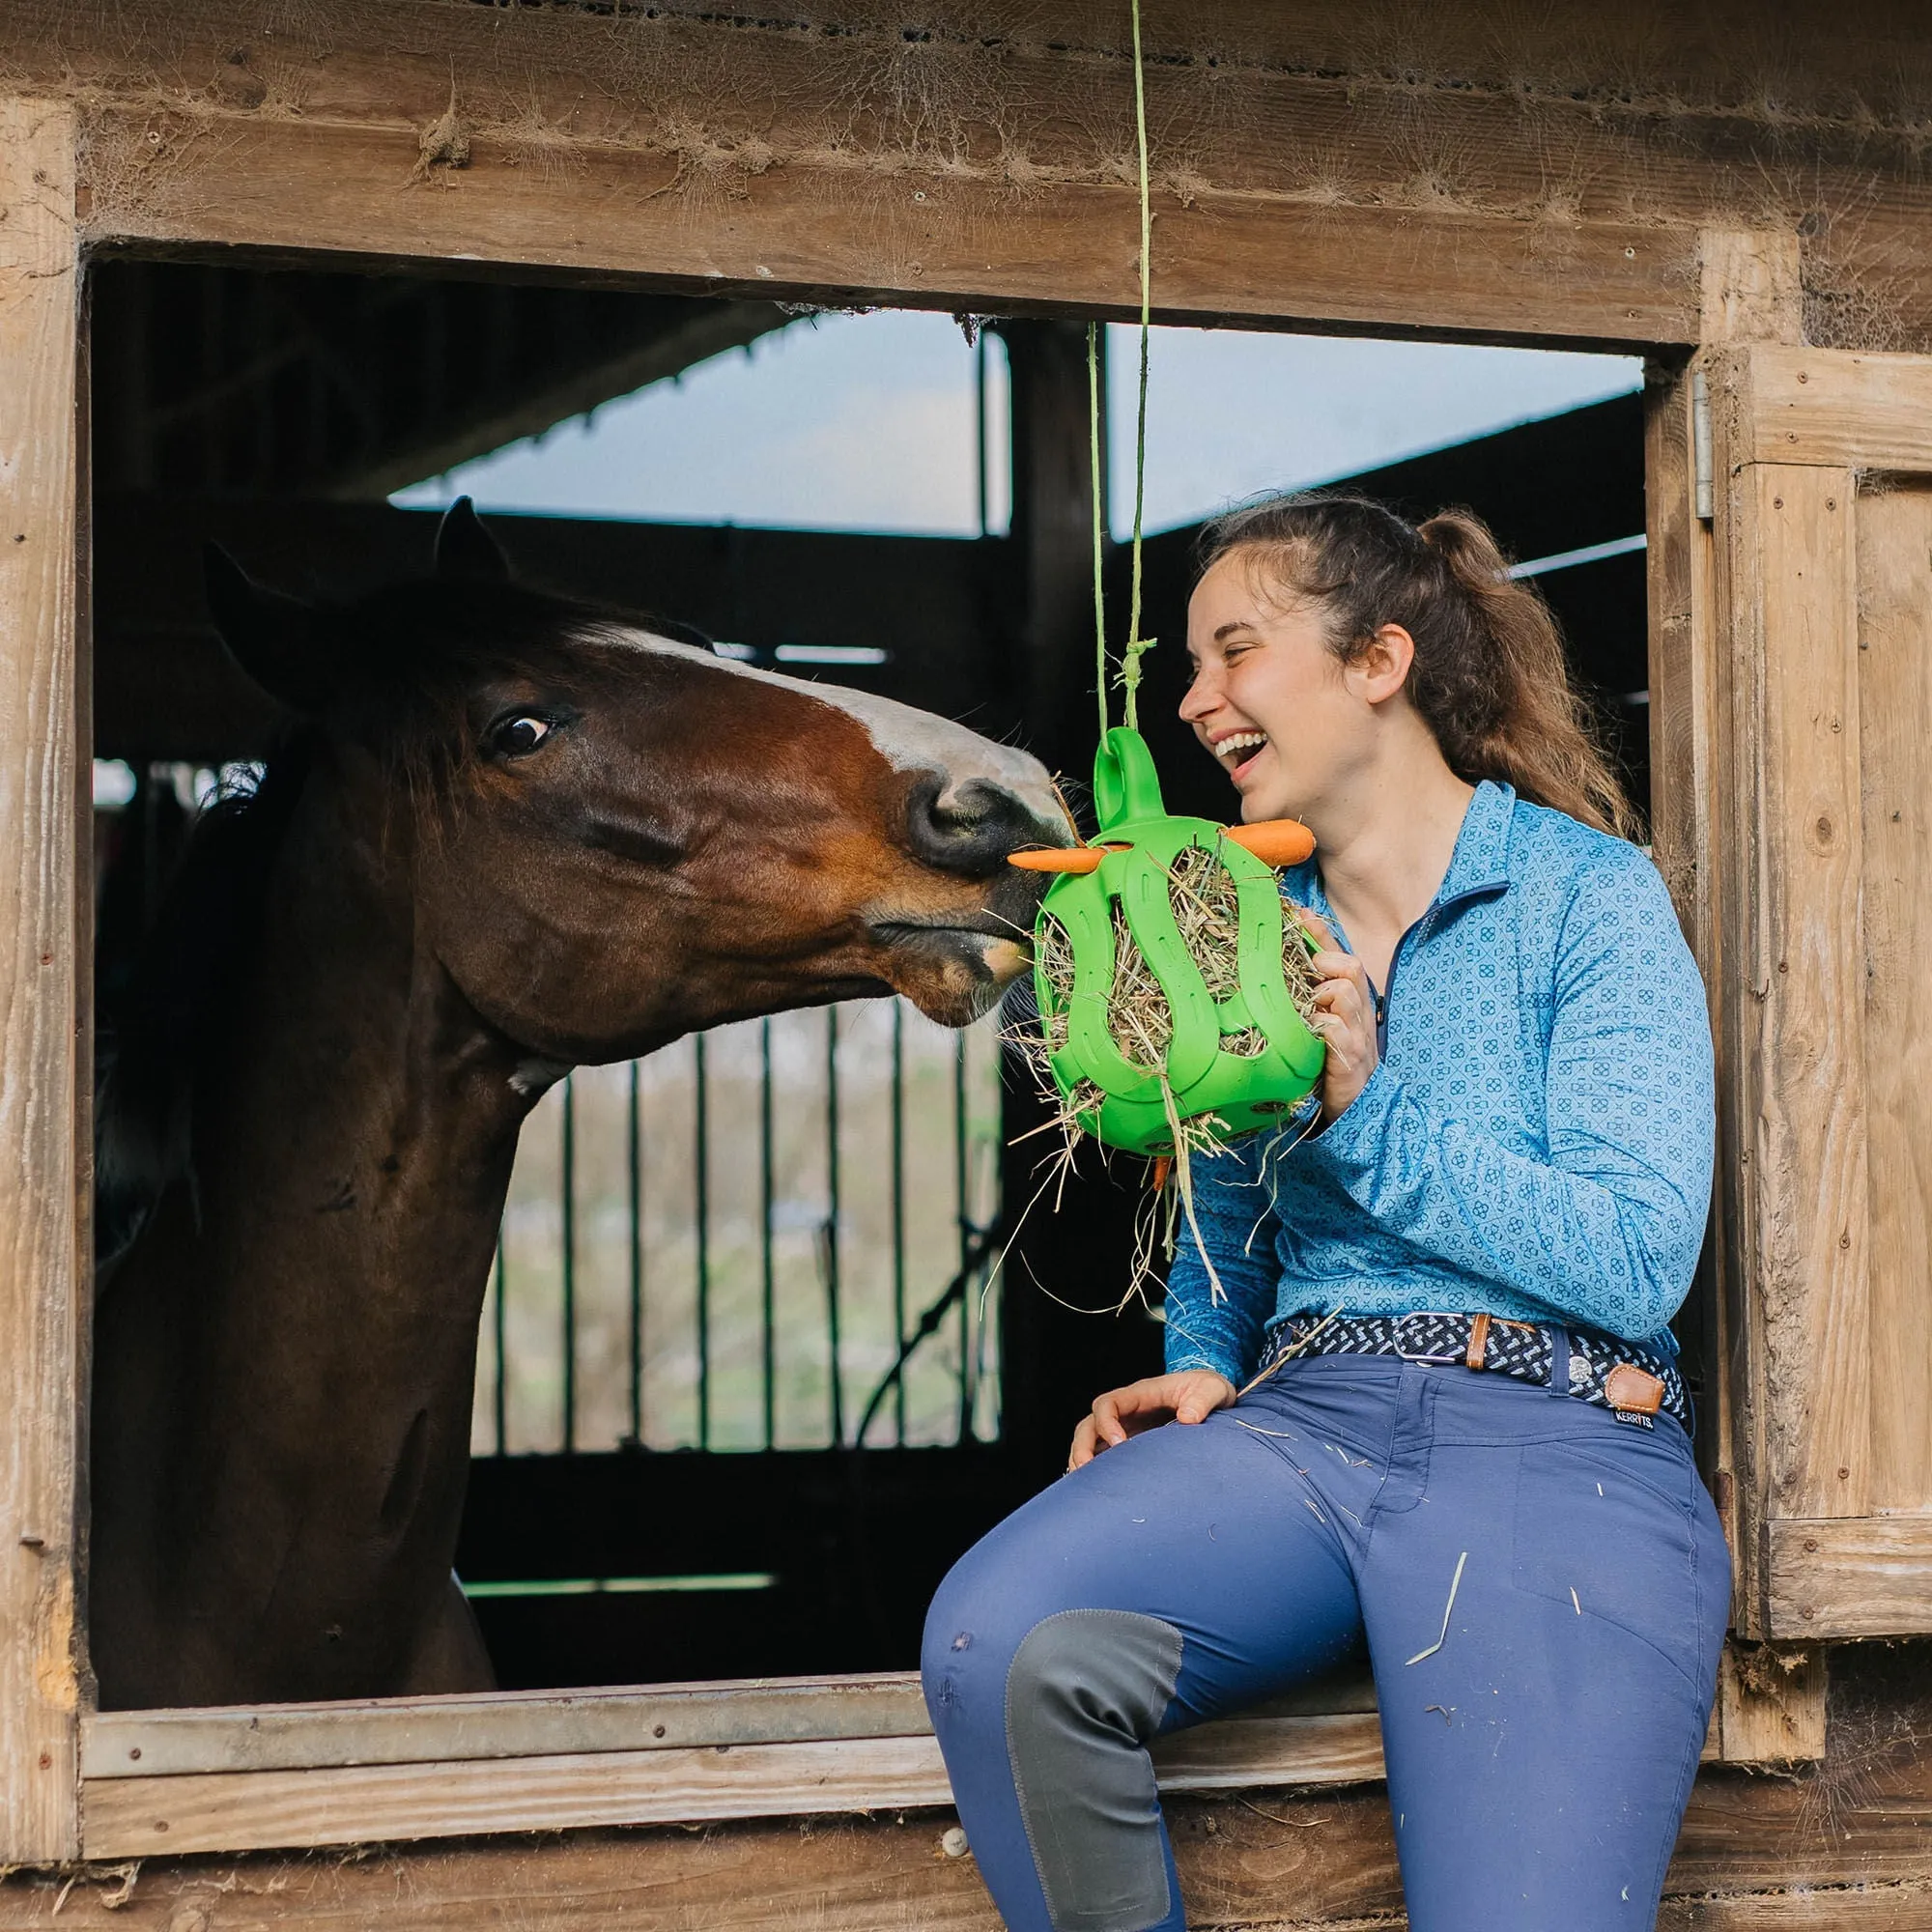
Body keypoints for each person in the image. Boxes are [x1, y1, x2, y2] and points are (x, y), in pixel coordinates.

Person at [922, 494, 1726, 1932]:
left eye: (1236, 652)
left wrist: (1371, 1108)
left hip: (1558, 1446)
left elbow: (1636, 1257)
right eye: (1187, 664)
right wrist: (1209, 1355)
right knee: (1006, 1642)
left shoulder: (1582, 900)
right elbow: (1229, 1203)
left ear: (1379, 663)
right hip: (1306, 1433)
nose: (1194, 699)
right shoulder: (1234, 911)